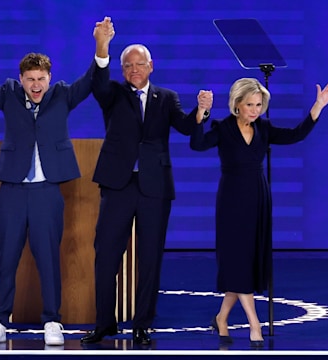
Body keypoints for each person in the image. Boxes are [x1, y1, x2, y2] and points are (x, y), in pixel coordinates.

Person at [0, 17, 115, 347]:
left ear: (49, 78)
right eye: (30, 78)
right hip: (12, 191)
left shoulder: (62, 95)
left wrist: (101, 46)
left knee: (48, 257)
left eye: (41, 78)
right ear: (21, 79)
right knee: (5, 257)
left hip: (48, 191)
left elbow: (91, 80)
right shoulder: (7, 94)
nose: (36, 84)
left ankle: (52, 320)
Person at [80, 21, 213, 345]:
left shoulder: (166, 97)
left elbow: (184, 126)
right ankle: (105, 323)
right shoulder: (112, 94)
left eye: (140, 64)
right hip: (118, 184)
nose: (134, 69)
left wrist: (201, 113)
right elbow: (98, 81)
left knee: (150, 257)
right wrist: (102, 45)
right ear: (122, 69)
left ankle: (142, 324)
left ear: (151, 66)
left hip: (155, 187)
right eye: (128, 65)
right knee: (106, 254)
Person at [189, 78, 328, 347]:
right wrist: (200, 114)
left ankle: (222, 318)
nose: (255, 110)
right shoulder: (222, 129)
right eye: (249, 105)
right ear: (237, 105)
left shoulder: (264, 129)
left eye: (259, 105)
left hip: (258, 197)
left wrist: (318, 106)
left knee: (244, 263)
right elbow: (197, 145)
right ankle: (254, 326)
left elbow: (295, 135)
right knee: (237, 260)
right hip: (232, 200)